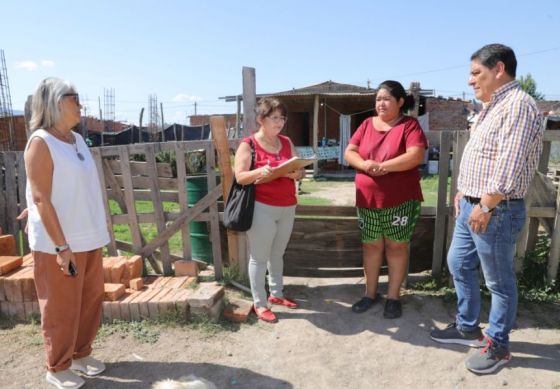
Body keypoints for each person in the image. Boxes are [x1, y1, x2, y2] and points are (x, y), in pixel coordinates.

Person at [430, 44, 544, 374]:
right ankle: (467, 327)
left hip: (495, 209)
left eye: (476, 73)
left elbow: (508, 164)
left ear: (499, 69)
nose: (470, 81)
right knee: (458, 263)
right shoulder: (492, 106)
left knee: (499, 281)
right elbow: (484, 156)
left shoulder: (519, 105)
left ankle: (499, 345)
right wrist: (465, 191)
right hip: (474, 204)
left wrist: (485, 204)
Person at [24, 77, 110, 389]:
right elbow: (40, 196)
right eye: (75, 98)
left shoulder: (75, 139)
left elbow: (68, 188)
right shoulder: (41, 143)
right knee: (61, 307)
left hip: (88, 236)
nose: (81, 103)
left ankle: (80, 355)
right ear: (57, 102)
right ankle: (57, 367)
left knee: (89, 301)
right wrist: (62, 247)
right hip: (59, 245)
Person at [344, 80, 427, 319]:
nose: (381, 103)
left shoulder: (409, 125)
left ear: (400, 102)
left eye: (387, 99)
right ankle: (370, 294)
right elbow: (350, 152)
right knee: (370, 245)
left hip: (400, 199)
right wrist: (365, 165)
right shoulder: (366, 124)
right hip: (367, 199)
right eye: (378, 99)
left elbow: (415, 156)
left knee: (396, 246)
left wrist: (382, 167)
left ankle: (393, 297)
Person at [234, 97, 305, 323]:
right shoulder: (249, 144)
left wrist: (297, 173)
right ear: (260, 119)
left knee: (278, 253)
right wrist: (259, 173)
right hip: (261, 207)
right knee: (260, 257)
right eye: (274, 117)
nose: (280, 122)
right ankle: (260, 303)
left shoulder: (286, 142)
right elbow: (240, 177)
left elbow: (298, 169)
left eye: (282, 118)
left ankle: (277, 294)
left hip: (287, 206)